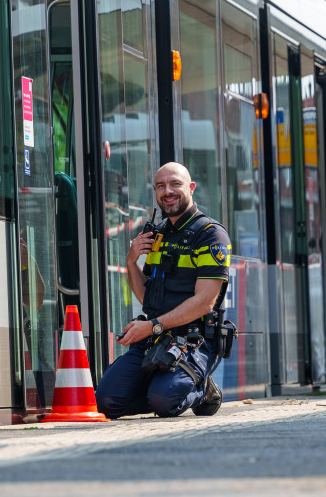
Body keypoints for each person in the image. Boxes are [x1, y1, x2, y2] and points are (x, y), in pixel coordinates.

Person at [95, 162, 231, 418]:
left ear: (190, 188)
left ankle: (203, 390)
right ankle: (162, 387)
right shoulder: (157, 234)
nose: (167, 191)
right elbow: (148, 297)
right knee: (107, 402)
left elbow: (205, 303)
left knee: (164, 402)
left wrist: (153, 325)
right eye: (161, 186)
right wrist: (130, 261)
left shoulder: (211, 235)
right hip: (154, 340)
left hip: (195, 341)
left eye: (175, 184)